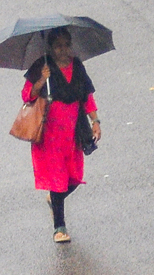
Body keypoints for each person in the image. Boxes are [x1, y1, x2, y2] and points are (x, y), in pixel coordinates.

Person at [23, 27, 100, 243]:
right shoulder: (41, 66)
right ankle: (59, 227)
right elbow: (27, 94)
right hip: (50, 134)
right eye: (58, 46)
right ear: (50, 47)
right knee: (57, 181)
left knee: (73, 178)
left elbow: (87, 96)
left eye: (66, 45)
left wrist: (95, 122)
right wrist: (41, 80)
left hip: (74, 131)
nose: (63, 50)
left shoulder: (77, 67)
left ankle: (54, 199)